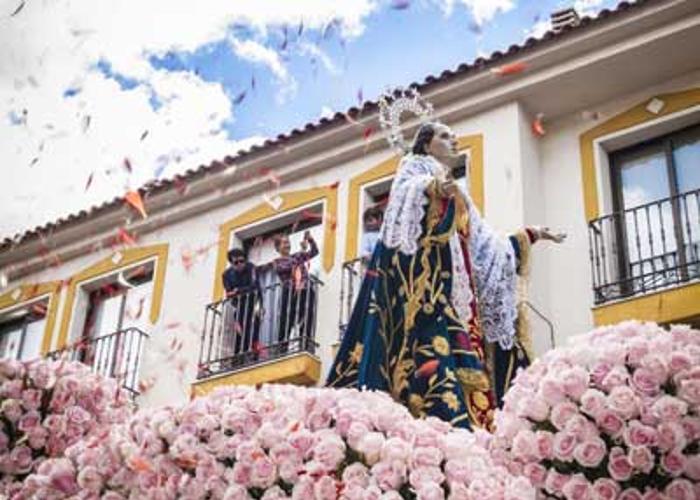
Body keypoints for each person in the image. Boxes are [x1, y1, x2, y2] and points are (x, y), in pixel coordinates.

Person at [327, 122, 565, 430]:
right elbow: (403, 219)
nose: (453, 140)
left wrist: (528, 236)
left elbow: (484, 245)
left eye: (454, 136)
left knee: (472, 384)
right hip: (428, 297)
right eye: (444, 136)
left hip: (458, 299)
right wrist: (435, 190)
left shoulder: (456, 190)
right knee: (436, 376)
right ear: (426, 144)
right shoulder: (412, 174)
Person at [272, 231, 319, 351]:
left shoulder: (297, 256)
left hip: (305, 290)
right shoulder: (277, 262)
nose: (287, 245)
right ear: (278, 247)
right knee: (287, 321)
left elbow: (314, 252)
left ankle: (305, 345)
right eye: (284, 243)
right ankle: (282, 349)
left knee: (307, 318)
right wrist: (302, 252)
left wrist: (310, 240)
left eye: (288, 242)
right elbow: (288, 268)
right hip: (290, 293)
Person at [221, 248, 262, 363]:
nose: (240, 264)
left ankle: (254, 356)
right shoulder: (226, 275)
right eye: (236, 262)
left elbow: (255, 287)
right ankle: (238, 359)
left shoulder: (251, 268)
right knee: (241, 333)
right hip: (239, 307)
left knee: (254, 330)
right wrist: (238, 292)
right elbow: (229, 294)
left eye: (242, 261)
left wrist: (238, 291)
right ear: (231, 263)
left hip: (254, 304)